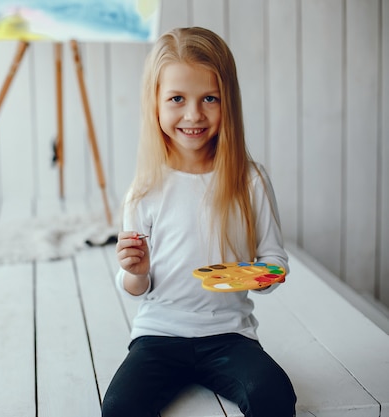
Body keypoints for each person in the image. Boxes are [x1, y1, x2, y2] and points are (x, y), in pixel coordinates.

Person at [101, 27, 297, 417]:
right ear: (155, 104)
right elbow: (135, 288)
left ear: (229, 102)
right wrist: (135, 271)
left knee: (274, 397)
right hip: (158, 334)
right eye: (177, 99)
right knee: (119, 408)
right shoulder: (145, 188)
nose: (194, 114)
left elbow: (275, 262)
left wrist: (257, 274)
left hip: (229, 335)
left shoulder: (250, 180)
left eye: (210, 98)